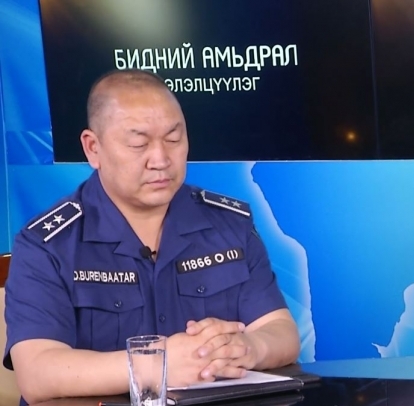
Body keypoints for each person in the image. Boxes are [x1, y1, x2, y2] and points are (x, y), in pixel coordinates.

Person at [2, 69, 300, 404]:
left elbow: (281, 331)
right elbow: (37, 373)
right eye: (138, 144)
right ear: (93, 148)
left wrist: (248, 348)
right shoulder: (47, 245)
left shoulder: (230, 224)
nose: (160, 159)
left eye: (173, 139)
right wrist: (156, 365)